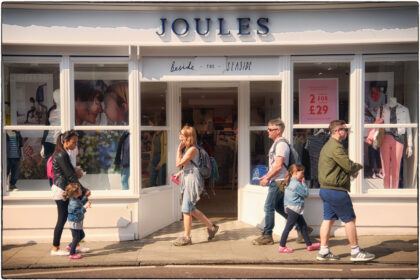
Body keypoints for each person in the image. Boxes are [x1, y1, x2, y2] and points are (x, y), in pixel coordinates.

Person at [317, 120, 375, 261]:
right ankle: (355, 252)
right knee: (350, 219)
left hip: (326, 189)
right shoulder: (336, 147)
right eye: (344, 129)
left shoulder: (328, 146)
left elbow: (336, 168)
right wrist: (358, 166)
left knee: (328, 219)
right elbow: (348, 166)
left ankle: (323, 251)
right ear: (337, 131)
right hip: (336, 191)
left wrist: (349, 171)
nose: (346, 132)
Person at [252, 118, 307, 245]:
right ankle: (301, 227)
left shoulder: (281, 145)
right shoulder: (278, 143)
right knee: (279, 207)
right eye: (268, 129)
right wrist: (267, 175)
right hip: (279, 180)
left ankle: (267, 235)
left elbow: (278, 166)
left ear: (278, 130)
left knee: (269, 207)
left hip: (279, 181)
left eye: (270, 129)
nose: (268, 131)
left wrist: (267, 177)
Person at [172, 125, 219, 246]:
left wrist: (178, 150)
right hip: (188, 177)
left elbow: (178, 163)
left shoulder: (192, 149)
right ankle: (211, 227)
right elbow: (191, 165)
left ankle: (187, 237)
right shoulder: (189, 149)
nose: (179, 137)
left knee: (186, 208)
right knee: (190, 208)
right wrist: (180, 172)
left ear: (188, 137)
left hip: (192, 181)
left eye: (181, 135)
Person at [50, 130, 90, 256]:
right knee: (62, 219)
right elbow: (69, 176)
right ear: (65, 142)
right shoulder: (61, 155)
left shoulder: (64, 153)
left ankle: (75, 245)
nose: (75, 145)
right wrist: (83, 191)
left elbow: (70, 174)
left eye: (76, 142)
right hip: (61, 191)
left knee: (74, 217)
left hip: (66, 190)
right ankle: (55, 248)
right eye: (73, 142)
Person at [278, 164, 320, 253]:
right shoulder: (297, 184)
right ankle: (282, 246)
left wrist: (285, 206)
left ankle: (309, 245)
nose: (303, 175)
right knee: (288, 227)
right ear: (296, 173)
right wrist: (304, 184)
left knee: (303, 226)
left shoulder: (289, 182)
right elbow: (305, 194)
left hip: (290, 207)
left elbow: (286, 197)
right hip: (295, 208)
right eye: (302, 173)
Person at [62, 182, 91, 259]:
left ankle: (70, 246)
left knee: (82, 235)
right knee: (76, 238)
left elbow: (80, 203)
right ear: (75, 193)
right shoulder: (73, 203)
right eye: (80, 189)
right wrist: (85, 207)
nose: (81, 190)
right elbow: (78, 212)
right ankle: (72, 254)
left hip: (77, 221)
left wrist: (85, 197)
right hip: (74, 222)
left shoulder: (75, 199)